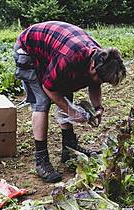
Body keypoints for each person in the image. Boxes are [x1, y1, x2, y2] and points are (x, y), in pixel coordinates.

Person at [13, 21, 126, 183]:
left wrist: (98, 107)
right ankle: (41, 160)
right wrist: (72, 112)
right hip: (28, 50)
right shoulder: (70, 58)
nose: (99, 83)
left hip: (53, 49)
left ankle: (69, 149)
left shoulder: (101, 57)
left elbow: (95, 83)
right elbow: (49, 87)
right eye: (100, 79)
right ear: (93, 68)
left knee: (66, 92)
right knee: (42, 103)